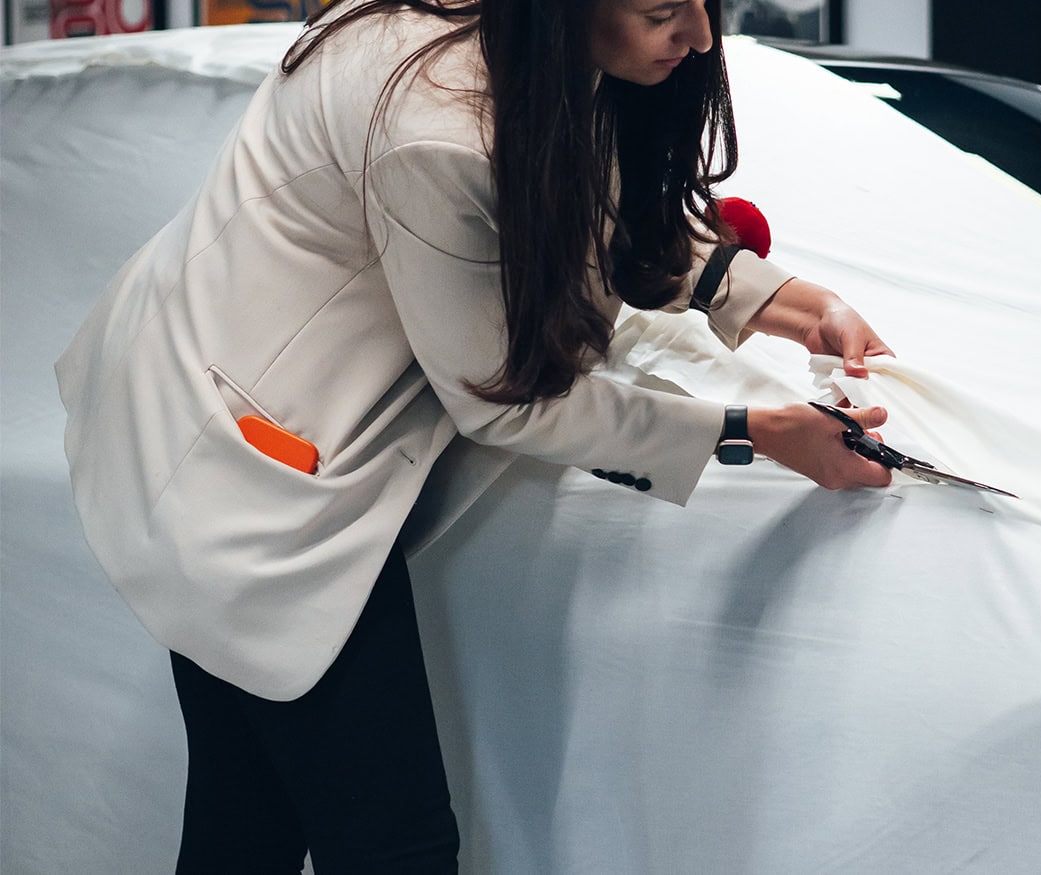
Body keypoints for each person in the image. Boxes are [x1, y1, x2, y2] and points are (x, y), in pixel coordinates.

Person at [55, 0, 894, 869]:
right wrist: (754, 432)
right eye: (660, 10)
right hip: (242, 466)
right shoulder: (439, 130)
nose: (700, 35)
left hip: (230, 413)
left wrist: (801, 306)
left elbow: (595, 206)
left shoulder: (524, 48)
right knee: (394, 844)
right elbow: (507, 401)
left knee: (247, 821)